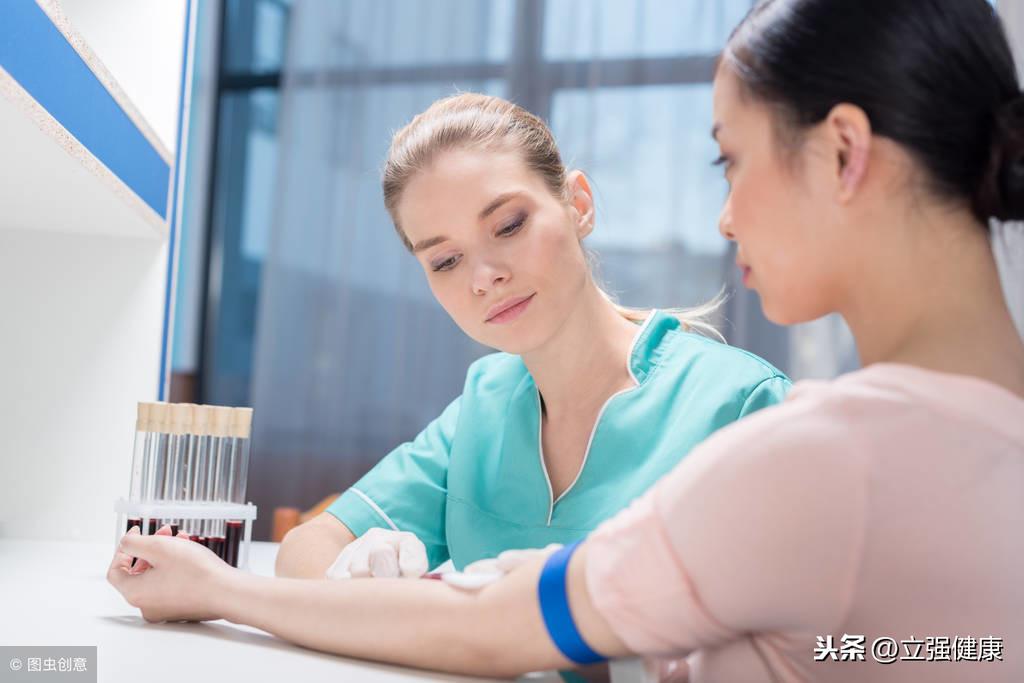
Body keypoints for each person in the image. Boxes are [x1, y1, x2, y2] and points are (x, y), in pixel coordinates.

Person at [108, 0, 1024, 681]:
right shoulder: (489, 403)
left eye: (730, 159)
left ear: (843, 153)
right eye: (443, 259)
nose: (725, 215)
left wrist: (219, 589)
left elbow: (497, 627)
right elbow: (936, 651)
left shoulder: (801, 445)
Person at [271, 92, 790, 579]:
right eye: (446, 260)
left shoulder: (739, 404)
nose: (484, 277)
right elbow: (304, 548)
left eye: (509, 226)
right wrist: (358, 570)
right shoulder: (484, 406)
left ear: (578, 205)